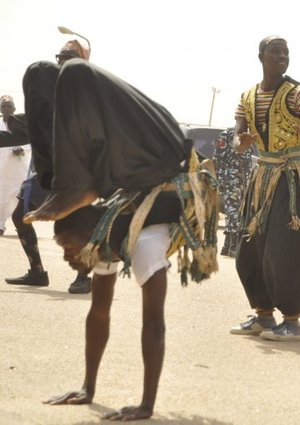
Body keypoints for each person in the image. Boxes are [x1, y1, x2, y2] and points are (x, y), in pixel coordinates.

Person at [24, 52, 218, 421]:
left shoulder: (143, 244)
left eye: (66, 246)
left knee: (75, 72)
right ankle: (74, 186)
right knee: (41, 75)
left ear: (91, 232)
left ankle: (74, 186)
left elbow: (154, 326)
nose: (66, 258)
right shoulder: (109, 243)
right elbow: (98, 314)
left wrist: (147, 406)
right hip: (145, 163)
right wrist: (88, 388)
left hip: (161, 154)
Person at [230, 35, 300, 342]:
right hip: (261, 176)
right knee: (249, 250)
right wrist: (242, 141)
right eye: (275, 51)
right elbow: (237, 139)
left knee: (284, 249)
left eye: (286, 52)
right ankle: (263, 314)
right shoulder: (247, 96)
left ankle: (291, 320)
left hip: (290, 176)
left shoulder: (297, 93)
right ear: (260, 56)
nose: (282, 56)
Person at [2, 40, 92, 293]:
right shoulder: (52, 88)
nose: (62, 60)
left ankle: (84, 276)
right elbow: (35, 127)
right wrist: (11, 123)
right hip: (46, 171)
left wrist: (12, 119)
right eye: (60, 55)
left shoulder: (83, 91)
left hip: (73, 172)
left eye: (69, 56)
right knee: (20, 217)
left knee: (73, 222)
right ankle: (37, 272)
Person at [213, 127, 255, 257]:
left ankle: (227, 245)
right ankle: (233, 245)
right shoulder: (227, 135)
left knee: (235, 210)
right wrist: (219, 177)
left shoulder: (250, 135)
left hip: (242, 178)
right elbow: (217, 157)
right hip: (230, 177)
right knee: (233, 209)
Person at [0, 95, 30, 236]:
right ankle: (0, 225)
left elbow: (30, 142)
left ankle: (21, 224)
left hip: (18, 169)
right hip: (2, 169)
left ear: (14, 108)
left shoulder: (21, 123)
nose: (6, 108)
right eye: (4, 106)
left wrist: (22, 150)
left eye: (9, 106)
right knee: (1, 198)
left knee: (21, 197)